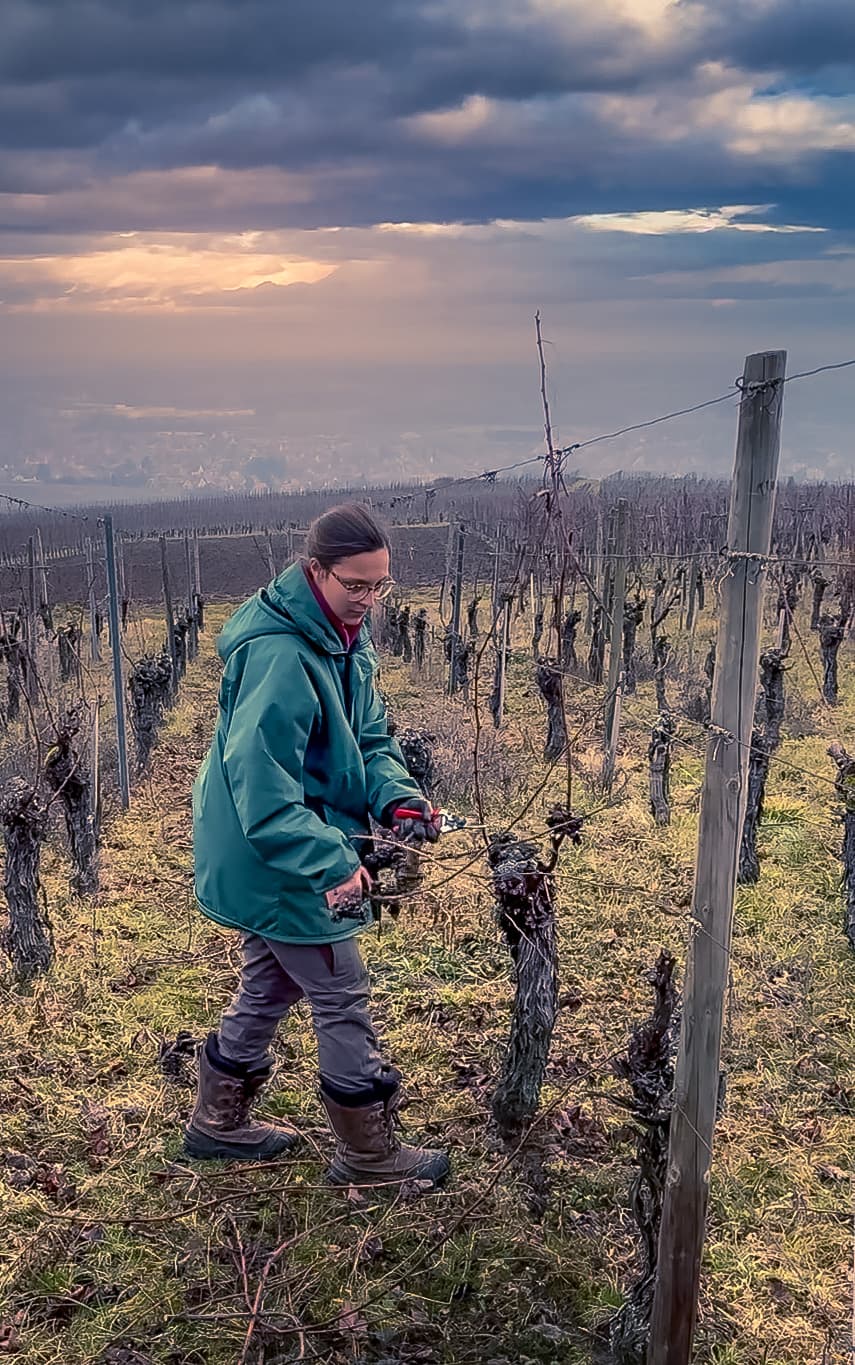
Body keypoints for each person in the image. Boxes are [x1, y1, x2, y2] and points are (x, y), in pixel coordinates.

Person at [187, 504, 449, 1187]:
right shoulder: (281, 654)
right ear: (315, 571)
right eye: (354, 584)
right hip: (271, 848)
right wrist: (330, 862)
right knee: (339, 991)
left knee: (272, 978)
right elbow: (263, 787)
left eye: (379, 585)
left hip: (282, 841)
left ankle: (216, 1122)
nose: (367, 599)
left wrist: (398, 798)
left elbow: (369, 739)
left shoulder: (343, 638)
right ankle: (369, 1156)